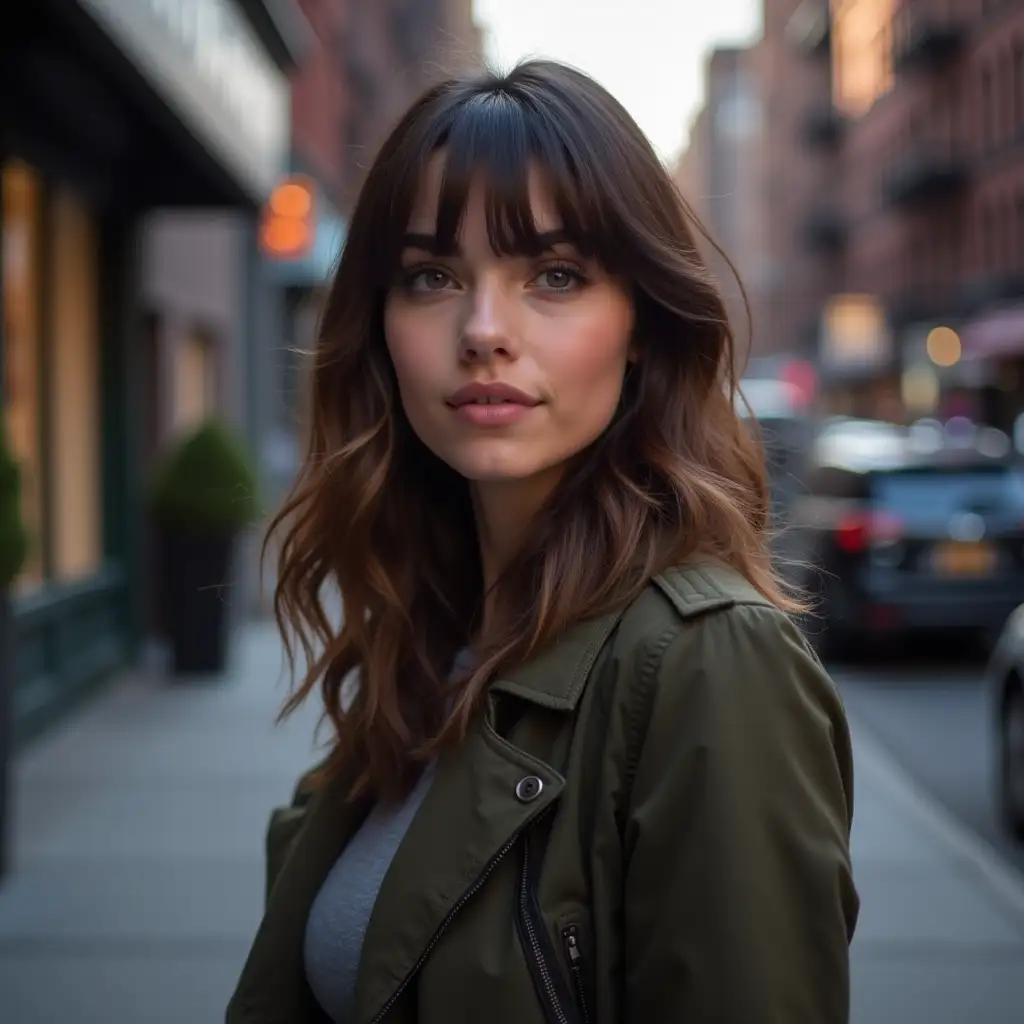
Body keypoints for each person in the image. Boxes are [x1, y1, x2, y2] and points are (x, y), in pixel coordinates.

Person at [227, 60, 859, 1024]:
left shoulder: (709, 666)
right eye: (432, 276)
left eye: (555, 276)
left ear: (642, 324)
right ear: (382, 325)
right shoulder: (425, 636)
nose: (484, 330)